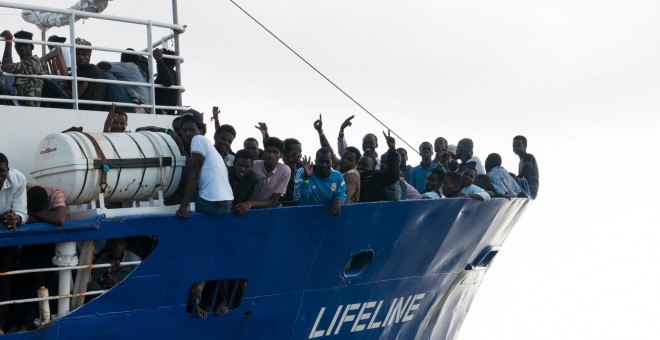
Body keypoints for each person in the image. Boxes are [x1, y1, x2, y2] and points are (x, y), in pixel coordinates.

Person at [176, 112, 234, 218]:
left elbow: (194, 175)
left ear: (201, 131)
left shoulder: (198, 139)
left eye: (191, 130)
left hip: (213, 205)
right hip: (227, 203)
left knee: (177, 198)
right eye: (184, 130)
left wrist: (183, 207)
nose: (187, 133)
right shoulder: (212, 149)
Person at [0, 153, 26, 334]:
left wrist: (15, 218)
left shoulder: (17, 179)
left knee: (4, 282)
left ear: (7, 170)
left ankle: (0, 325)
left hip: (6, 240)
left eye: (1, 171)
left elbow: (21, 211)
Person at [294, 147, 346, 216]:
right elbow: (299, 201)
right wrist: (306, 178)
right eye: (321, 161)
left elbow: (342, 195)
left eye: (327, 162)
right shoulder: (302, 172)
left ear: (332, 163)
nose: (324, 165)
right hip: (305, 216)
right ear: (315, 161)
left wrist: (338, 201)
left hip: (327, 216)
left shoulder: (338, 176)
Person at [0, 30, 46, 107]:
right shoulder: (27, 63)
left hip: (25, 104)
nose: (21, 48)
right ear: (15, 47)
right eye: (18, 45)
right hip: (19, 100)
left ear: (32, 47)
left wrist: (8, 41)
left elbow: (6, 67)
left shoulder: (33, 63)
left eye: (24, 45)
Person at [357, 131, 401, 202]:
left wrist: (392, 150)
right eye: (359, 164)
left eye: (365, 165)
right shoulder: (354, 176)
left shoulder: (376, 177)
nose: (361, 167)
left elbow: (393, 175)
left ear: (374, 166)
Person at [251, 137, 291, 207]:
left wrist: (249, 204)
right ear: (264, 152)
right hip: (244, 207)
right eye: (268, 151)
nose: (271, 155)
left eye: (275, 152)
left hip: (267, 209)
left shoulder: (285, 171)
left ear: (281, 155)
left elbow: (272, 201)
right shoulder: (253, 165)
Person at [228, 149, 267, 216]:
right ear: (234, 163)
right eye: (239, 165)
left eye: (247, 166)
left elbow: (250, 204)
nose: (242, 169)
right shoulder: (224, 172)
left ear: (251, 166)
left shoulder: (256, 180)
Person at [153, 48, 178, 115]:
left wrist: (159, 60)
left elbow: (168, 81)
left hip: (162, 112)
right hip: (165, 111)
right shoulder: (173, 73)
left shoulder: (169, 72)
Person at [280, 138, 302, 205]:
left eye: (300, 152)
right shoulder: (278, 170)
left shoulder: (303, 170)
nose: (298, 154)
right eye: (295, 151)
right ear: (286, 152)